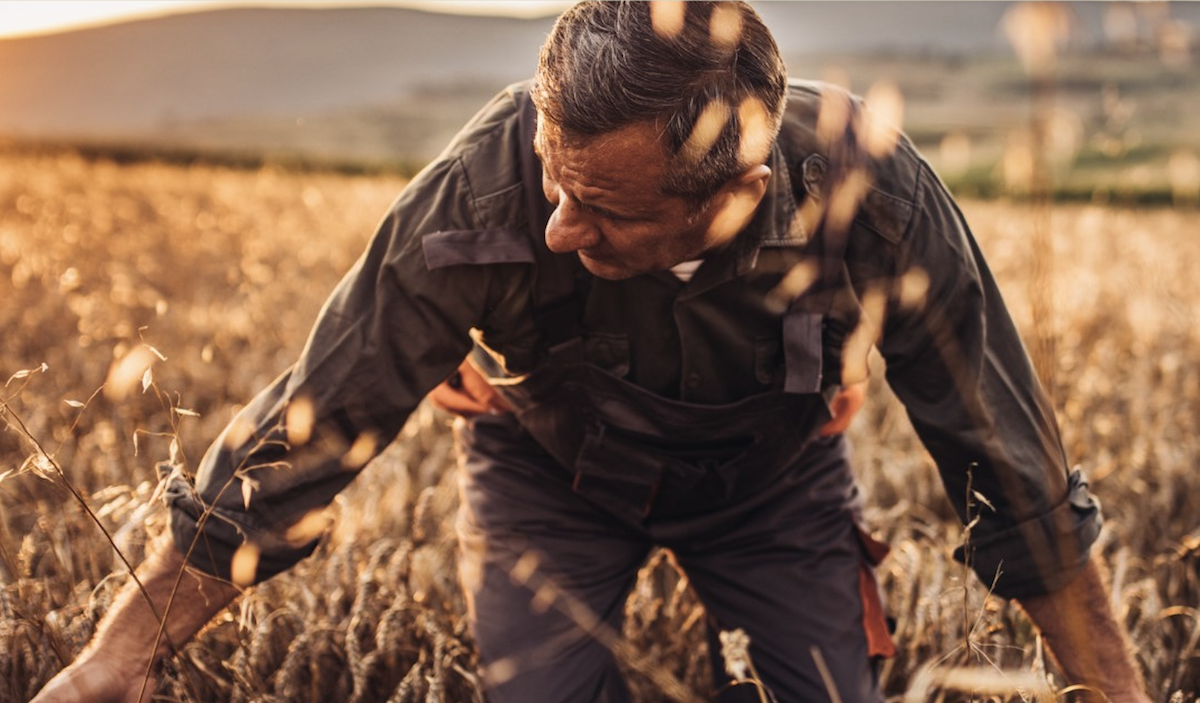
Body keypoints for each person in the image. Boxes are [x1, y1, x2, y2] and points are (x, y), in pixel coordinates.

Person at [31, 3, 1149, 702]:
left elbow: (1013, 474)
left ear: (738, 194)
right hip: (546, 484)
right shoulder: (482, 188)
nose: (559, 227)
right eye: (555, 184)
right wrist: (117, 658)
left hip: (775, 490)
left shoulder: (871, 190)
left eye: (602, 208)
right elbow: (306, 429)